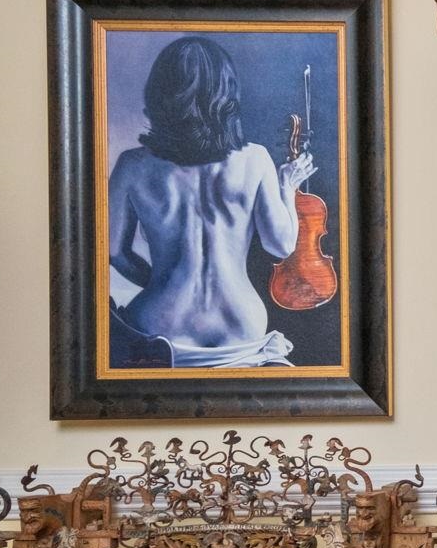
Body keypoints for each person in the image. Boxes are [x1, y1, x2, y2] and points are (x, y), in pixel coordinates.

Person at [106, 36, 313, 368]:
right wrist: (287, 185)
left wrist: (161, 282)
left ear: (161, 94)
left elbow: (113, 251)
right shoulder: (255, 159)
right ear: (227, 95)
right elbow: (281, 245)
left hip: (161, 332)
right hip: (240, 329)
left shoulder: (132, 165)